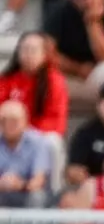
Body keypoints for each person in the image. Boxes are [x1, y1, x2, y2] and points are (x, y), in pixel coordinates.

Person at [0, 32, 70, 191]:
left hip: (38, 136)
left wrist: (24, 130)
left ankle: (53, 192)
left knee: (53, 142)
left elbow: (57, 122)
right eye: (24, 49)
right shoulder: (7, 79)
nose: (28, 54)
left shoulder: (55, 81)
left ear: (45, 54)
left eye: (33, 50)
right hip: (7, 133)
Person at [0, 99, 51, 224]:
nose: (8, 125)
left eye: (14, 120)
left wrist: (18, 184)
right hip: (2, 193)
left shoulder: (38, 142)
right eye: (3, 120)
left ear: (25, 121)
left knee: (37, 197)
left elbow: (38, 181)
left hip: (27, 194)